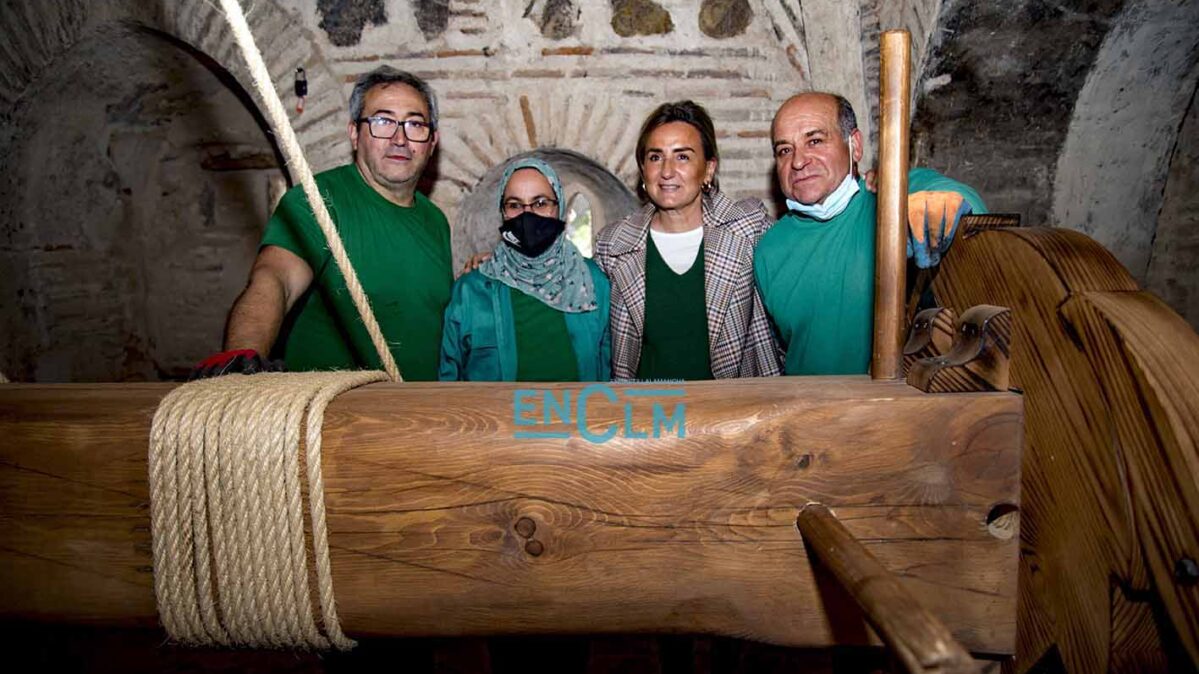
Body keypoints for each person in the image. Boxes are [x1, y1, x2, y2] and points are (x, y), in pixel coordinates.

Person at [192, 66, 452, 380]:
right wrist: (243, 356)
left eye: (415, 124)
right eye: (382, 121)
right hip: (333, 419)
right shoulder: (318, 200)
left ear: (432, 141)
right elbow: (275, 279)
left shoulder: (435, 220)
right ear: (355, 134)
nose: (400, 138)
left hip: (417, 415)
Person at [754, 92, 987, 376]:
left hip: (893, 413)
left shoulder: (891, 201)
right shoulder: (769, 249)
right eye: (784, 150)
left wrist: (944, 203)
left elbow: (960, 202)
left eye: (815, 141)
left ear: (855, 145)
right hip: (806, 413)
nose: (798, 161)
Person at [594, 101, 781, 381]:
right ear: (643, 170)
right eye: (655, 157)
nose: (667, 171)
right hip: (648, 415)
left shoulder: (748, 228)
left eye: (682, 157)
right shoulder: (613, 246)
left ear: (707, 170)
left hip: (734, 413)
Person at [439, 158, 611, 381]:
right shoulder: (471, 291)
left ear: (559, 207)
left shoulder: (593, 282)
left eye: (540, 203)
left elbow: (609, 373)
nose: (527, 215)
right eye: (515, 205)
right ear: (503, 212)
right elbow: (449, 381)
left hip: (579, 415)